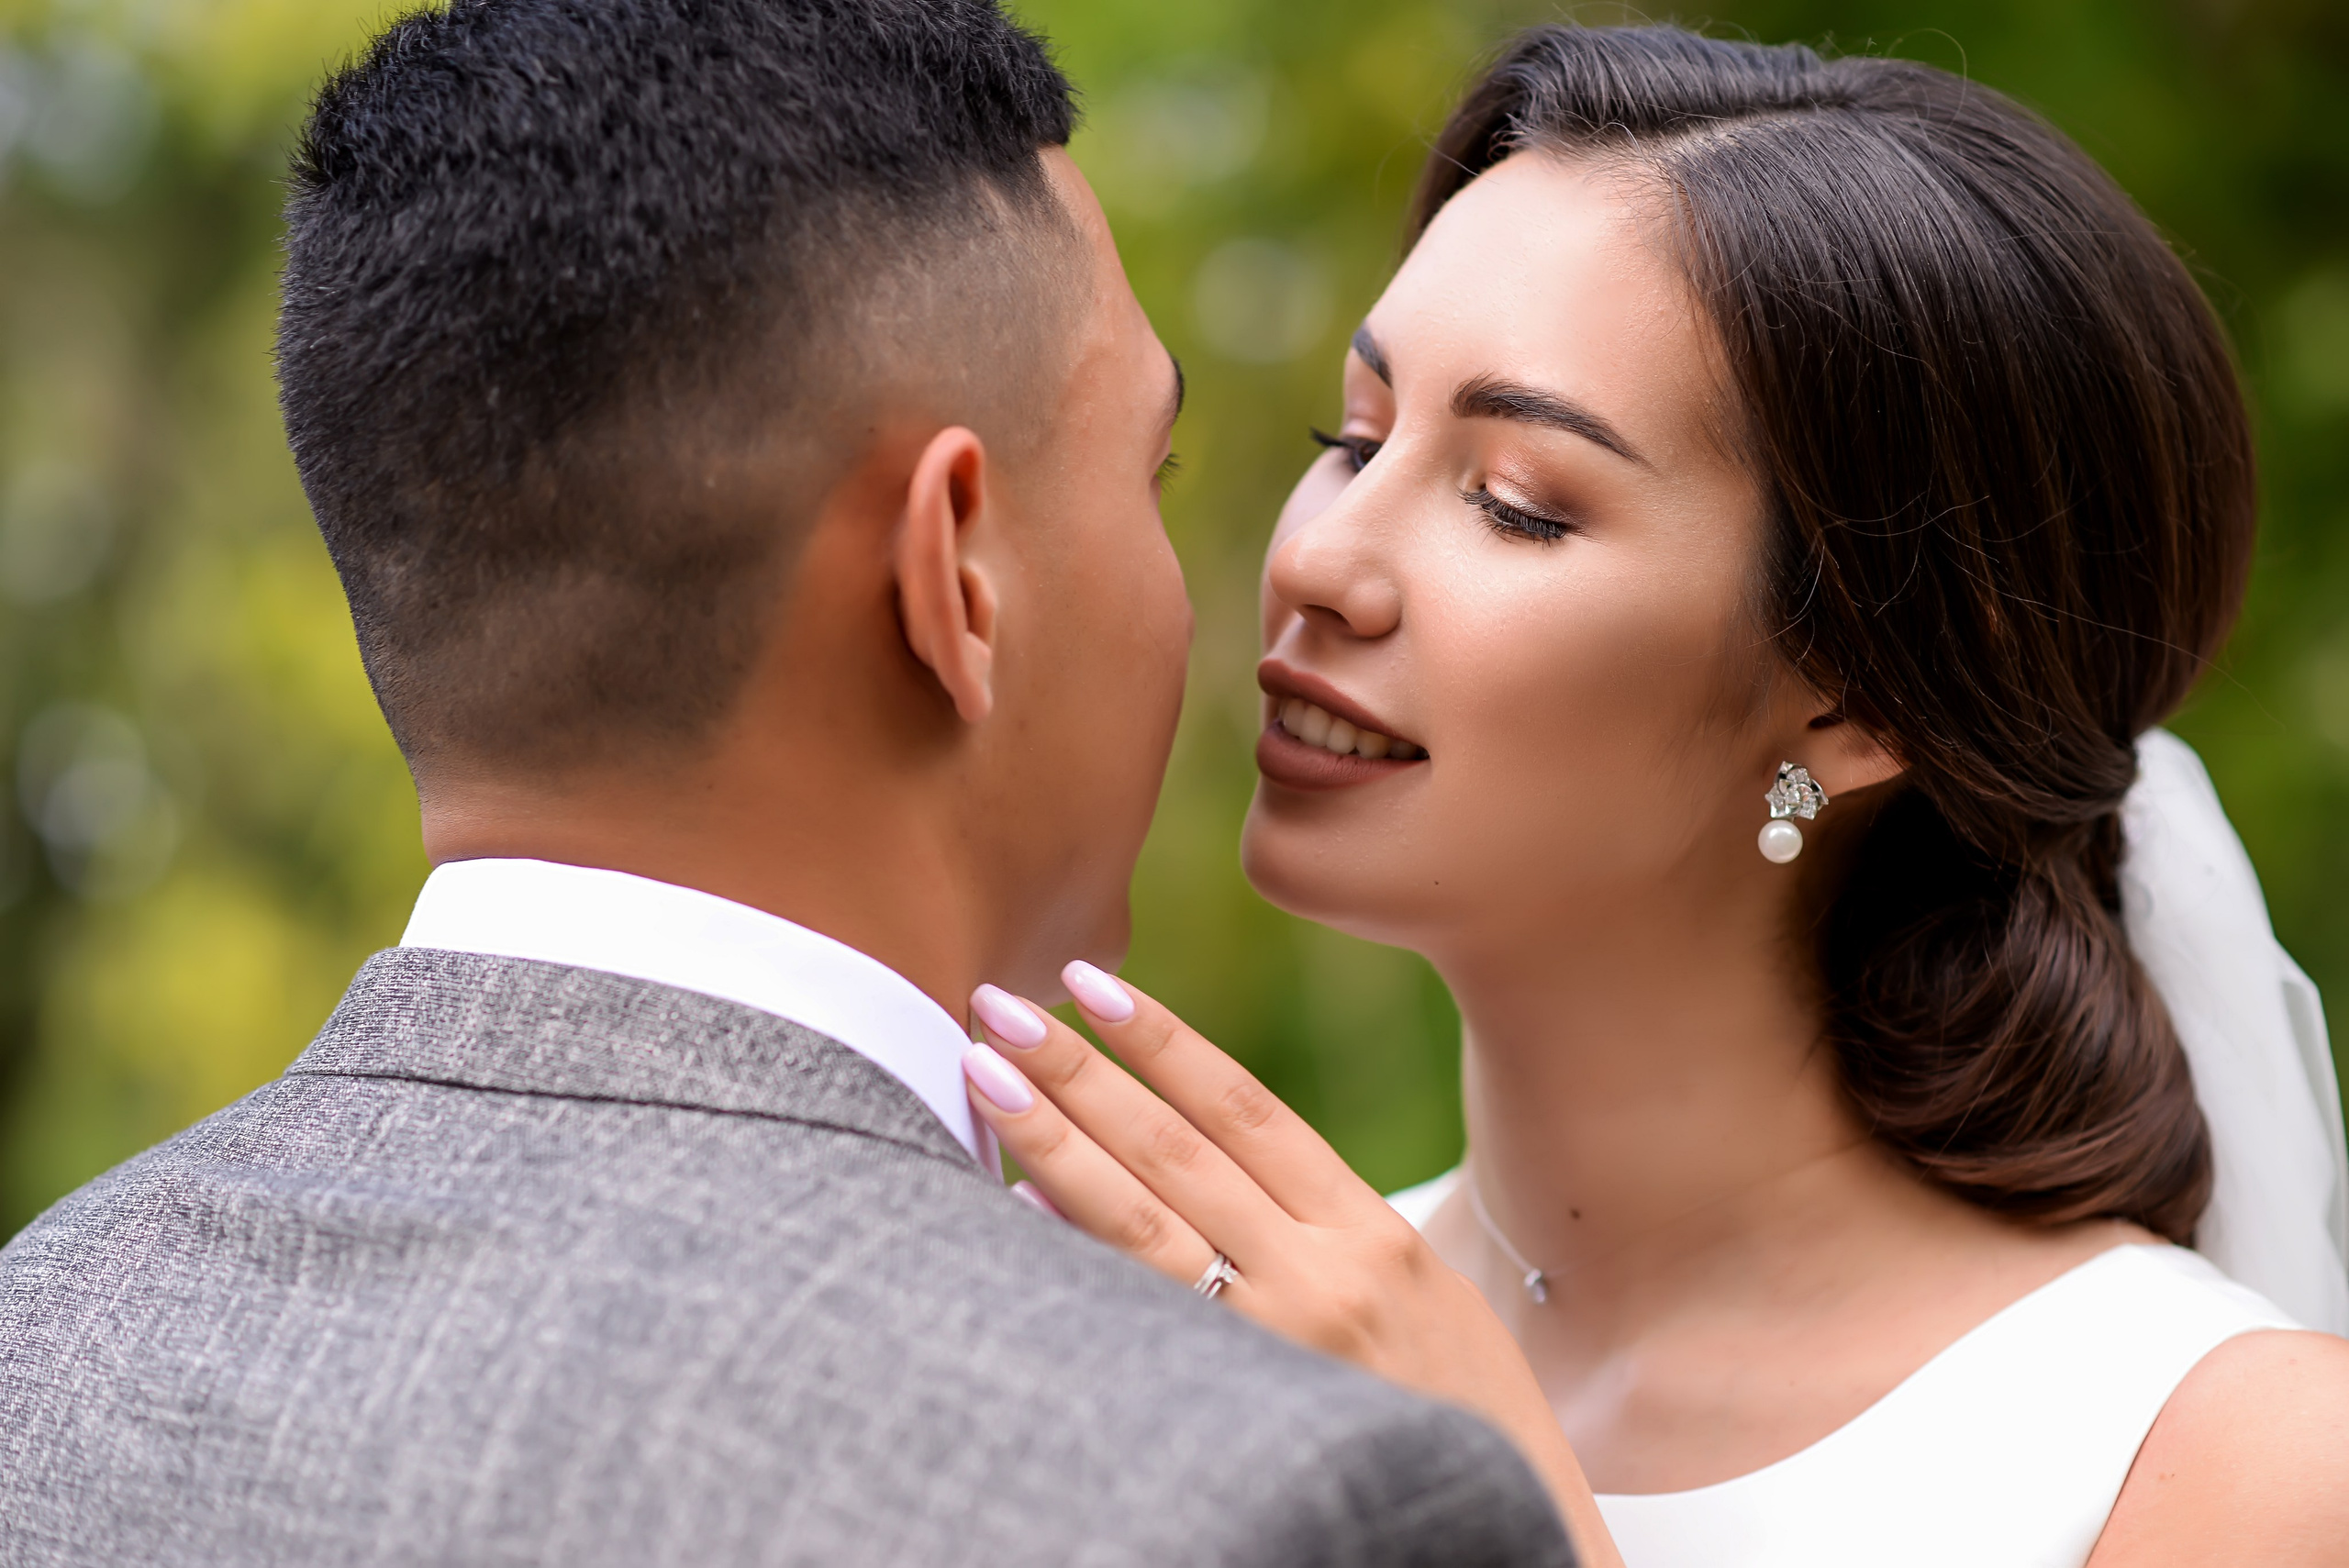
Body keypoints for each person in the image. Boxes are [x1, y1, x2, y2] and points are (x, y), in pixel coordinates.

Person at [0, 3, 1577, 1564]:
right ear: (955, 571)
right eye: (1145, 472)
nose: (1288, 574)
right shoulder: (1285, 1494)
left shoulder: (43, 1332)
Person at [963, 24, 2349, 1568]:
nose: (1321, 560)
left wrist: (1496, 1514)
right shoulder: (1211, 1307)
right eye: (1351, 437)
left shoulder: (2231, 1457)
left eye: (1517, 503)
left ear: (1863, 696)